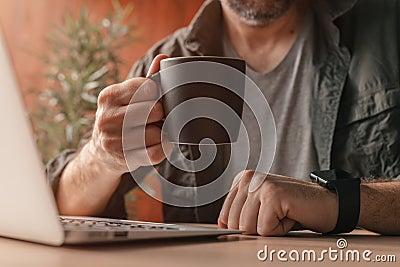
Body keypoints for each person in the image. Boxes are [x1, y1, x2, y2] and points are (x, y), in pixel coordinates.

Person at [47, 0, 400, 236]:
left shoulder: (388, 29)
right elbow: (59, 212)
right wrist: (98, 157)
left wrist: (337, 201)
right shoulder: (166, 62)